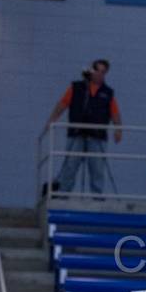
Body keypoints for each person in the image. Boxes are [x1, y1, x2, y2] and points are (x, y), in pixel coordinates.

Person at [46, 59, 122, 195]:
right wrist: (51, 121)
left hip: (97, 137)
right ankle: (63, 196)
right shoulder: (76, 87)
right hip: (77, 134)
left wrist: (118, 130)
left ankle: (97, 199)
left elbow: (115, 113)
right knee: (70, 167)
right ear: (91, 71)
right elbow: (62, 105)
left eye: (103, 72)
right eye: (97, 70)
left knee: (97, 169)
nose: (99, 74)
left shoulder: (108, 93)